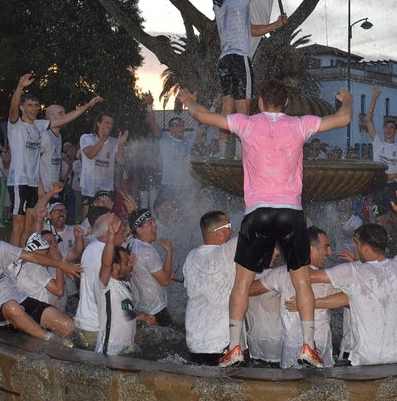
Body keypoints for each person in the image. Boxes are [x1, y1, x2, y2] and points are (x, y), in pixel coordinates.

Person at [179, 80, 353, 368]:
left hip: (258, 212)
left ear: (259, 101)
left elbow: (201, 115)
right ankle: (308, 345)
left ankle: (234, 346)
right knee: (301, 280)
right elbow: (344, 118)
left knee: (242, 282)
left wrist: (188, 98)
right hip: (291, 212)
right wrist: (346, 99)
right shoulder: (299, 125)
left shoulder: (245, 123)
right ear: (285, 102)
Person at [306, 189, 397, 366]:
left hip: (365, 362)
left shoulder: (353, 271)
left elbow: (311, 276)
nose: (353, 246)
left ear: (366, 248)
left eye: (356, 243)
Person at [7, 73, 102, 247]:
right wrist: (20, 87)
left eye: (36, 106)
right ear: (22, 108)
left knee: (30, 225)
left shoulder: (39, 125)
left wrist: (87, 105)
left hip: (33, 183)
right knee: (19, 227)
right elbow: (12, 110)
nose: (34, 109)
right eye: (29, 106)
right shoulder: (16, 126)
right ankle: (13, 262)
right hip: (19, 181)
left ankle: (24, 259)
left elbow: (65, 118)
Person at [0, 226, 82, 340]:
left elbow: (32, 256)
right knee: (12, 306)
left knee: (67, 325)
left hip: (21, 300)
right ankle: (49, 340)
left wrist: (61, 265)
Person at [214, 0, 286, 158]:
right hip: (238, 58)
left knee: (227, 107)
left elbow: (252, 30)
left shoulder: (225, 8)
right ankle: (240, 155)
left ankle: (222, 154)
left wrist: (276, 24)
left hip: (224, 61)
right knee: (242, 110)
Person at [251, 226, 339, 368]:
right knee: (323, 388)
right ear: (311, 250)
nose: (329, 252)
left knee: (289, 389)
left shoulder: (281, 274)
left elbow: (248, 289)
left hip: (291, 348)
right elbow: (350, 299)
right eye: (326, 247)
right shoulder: (329, 277)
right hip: (319, 347)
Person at [183, 210, 239, 365]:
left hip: (194, 342)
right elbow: (253, 231)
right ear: (219, 233)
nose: (232, 229)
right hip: (219, 343)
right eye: (228, 225)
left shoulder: (190, 256)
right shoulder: (225, 253)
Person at [97, 216, 156, 355]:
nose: (130, 265)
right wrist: (111, 236)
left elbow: (125, 310)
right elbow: (106, 264)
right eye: (126, 263)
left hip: (126, 351)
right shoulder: (106, 286)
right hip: (109, 353)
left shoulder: (125, 286)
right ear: (115, 266)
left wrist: (144, 316)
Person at [144, 93, 206, 203]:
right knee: (169, 214)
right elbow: (153, 124)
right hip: (170, 186)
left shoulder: (188, 140)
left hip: (186, 186)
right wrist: (149, 105)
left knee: (186, 216)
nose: (181, 128)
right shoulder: (165, 140)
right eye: (177, 125)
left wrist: (214, 107)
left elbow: (204, 127)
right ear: (170, 129)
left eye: (182, 125)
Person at [365, 85, 397, 220]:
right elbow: (368, 120)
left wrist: (393, 175)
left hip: (392, 187)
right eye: (386, 127)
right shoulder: (378, 142)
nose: (388, 130)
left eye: (392, 128)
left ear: (396, 131)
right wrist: (373, 99)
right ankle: (383, 241)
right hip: (377, 186)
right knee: (381, 222)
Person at [127, 207, 174, 326]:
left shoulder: (132, 243)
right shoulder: (146, 252)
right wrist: (169, 252)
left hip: (142, 306)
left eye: (154, 221)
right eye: (150, 223)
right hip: (156, 307)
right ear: (139, 230)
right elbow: (164, 281)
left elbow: (143, 273)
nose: (155, 225)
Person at [79, 112, 127, 224]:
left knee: (107, 220)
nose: (109, 126)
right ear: (98, 123)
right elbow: (90, 154)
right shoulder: (87, 138)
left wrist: (120, 145)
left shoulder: (114, 141)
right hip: (90, 187)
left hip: (107, 188)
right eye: (106, 122)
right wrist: (103, 139)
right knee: (88, 221)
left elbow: (121, 160)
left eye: (111, 123)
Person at [74, 215, 113, 348]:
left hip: (84, 320)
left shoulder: (91, 247)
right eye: (120, 226)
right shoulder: (106, 256)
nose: (125, 229)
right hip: (96, 326)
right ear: (111, 232)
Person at [12, 231, 65, 308]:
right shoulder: (35, 268)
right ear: (36, 252)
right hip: (40, 313)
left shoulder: (19, 264)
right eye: (47, 252)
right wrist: (58, 263)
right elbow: (59, 291)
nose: (49, 254)